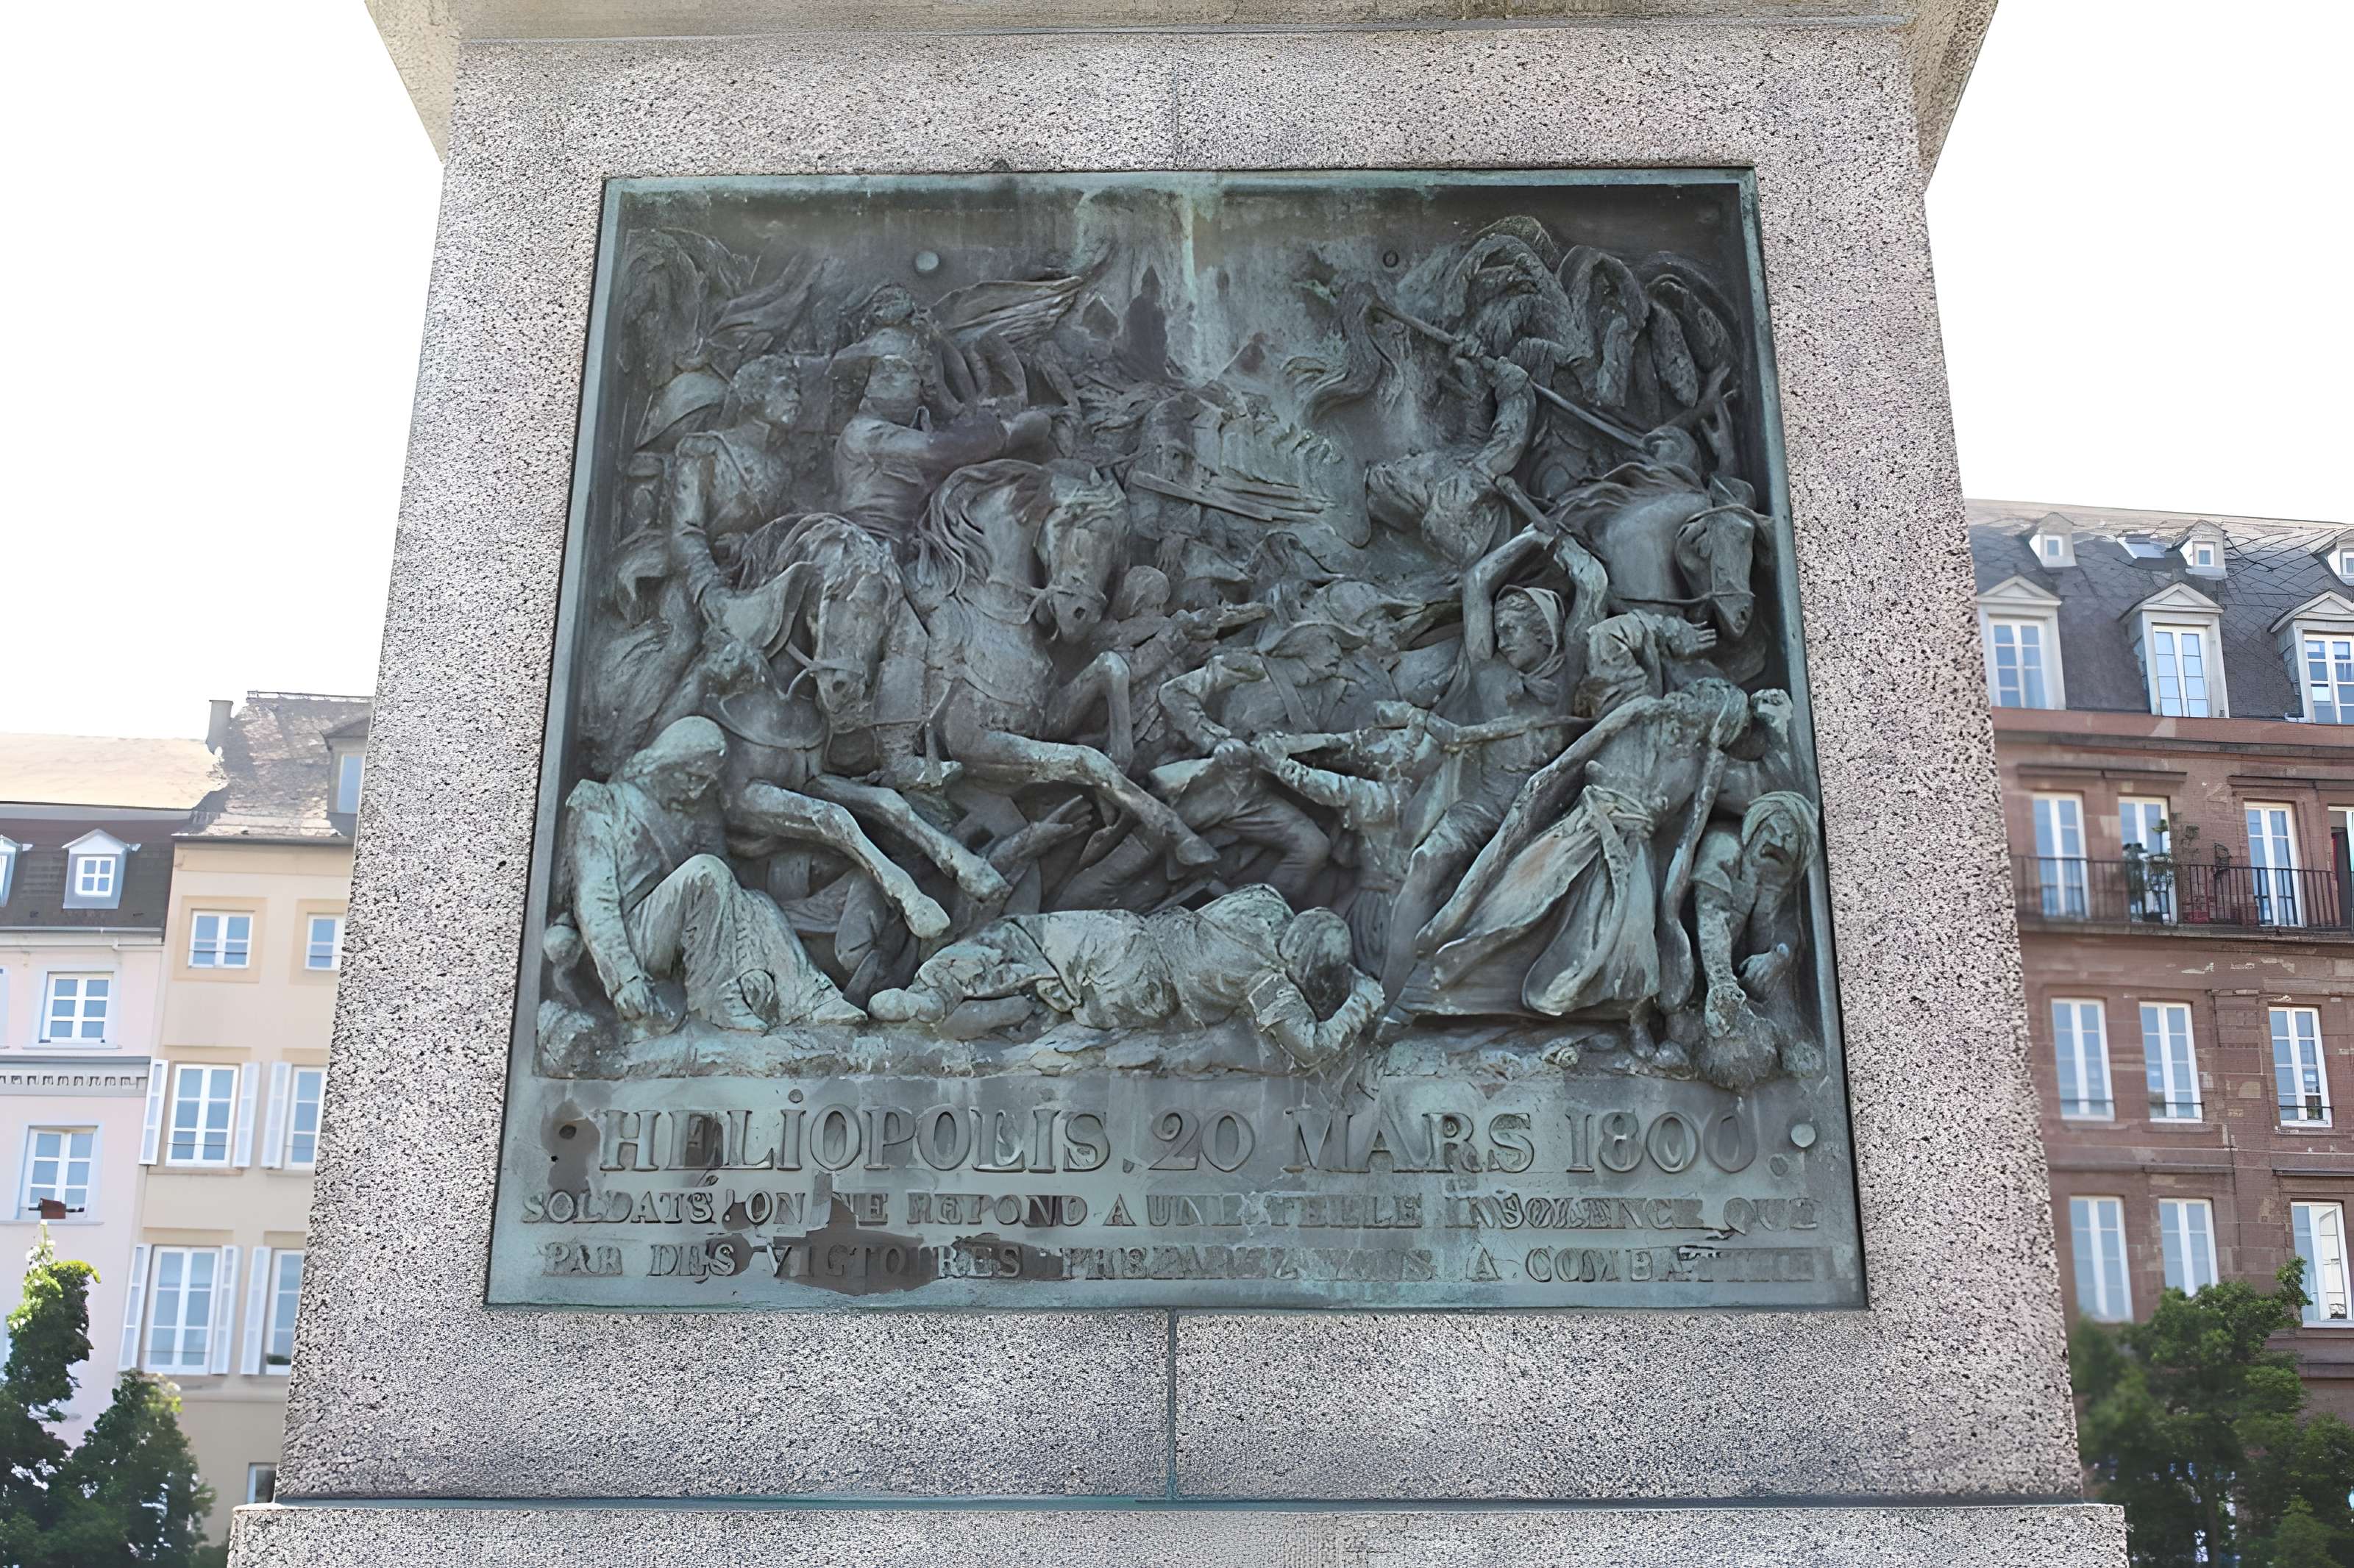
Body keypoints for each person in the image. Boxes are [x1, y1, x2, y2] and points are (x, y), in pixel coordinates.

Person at [555, 718, 866, 1036]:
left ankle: (811, 998)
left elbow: (727, 893)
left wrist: (752, 961)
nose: (697, 789)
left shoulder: (696, 811)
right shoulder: (601, 805)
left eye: (705, 781)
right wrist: (624, 979)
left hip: (680, 936)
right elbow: (595, 901)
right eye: (691, 777)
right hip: (629, 942)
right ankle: (714, 999)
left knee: (757, 901)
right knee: (706, 871)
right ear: (663, 764)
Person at [867, 885, 1382, 1069]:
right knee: (1052, 1000)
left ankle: (936, 993)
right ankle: (1013, 1014)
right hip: (1141, 999)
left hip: (1129, 942)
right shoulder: (1273, 984)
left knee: (1019, 939)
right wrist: (1361, 997)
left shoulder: (1265, 900)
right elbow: (1312, 1048)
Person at [832, 353, 1048, 549]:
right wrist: (1011, 431)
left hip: (909, 541)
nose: (913, 391)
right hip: (873, 543)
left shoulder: (904, 427)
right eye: (894, 378)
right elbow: (942, 451)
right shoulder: (865, 432)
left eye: (914, 383)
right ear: (870, 390)